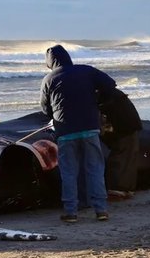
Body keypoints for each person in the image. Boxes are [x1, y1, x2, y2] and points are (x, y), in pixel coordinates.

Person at [40, 44, 116, 223]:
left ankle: (71, 211)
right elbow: (110, 85)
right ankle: (101, 209)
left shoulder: (49, 79)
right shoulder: (86, 71)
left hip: (65, 131)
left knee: (68, 172)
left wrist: (55, 116)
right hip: (90, 127)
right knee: (95, 169)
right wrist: (99, 102)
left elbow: (45, 108)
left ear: (50, 62)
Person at [99, 88, 143, 200]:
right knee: (130, 156)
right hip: (131, 124)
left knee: (119, 155)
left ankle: (117, 189)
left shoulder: (100, 95)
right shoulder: (109, 91)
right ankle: (127, 188)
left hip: (123, 126)